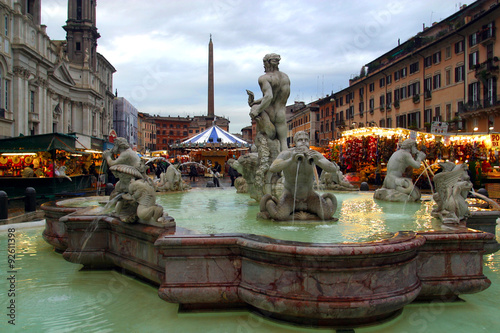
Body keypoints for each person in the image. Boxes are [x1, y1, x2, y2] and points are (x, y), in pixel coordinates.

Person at [260, 131, 338, 220]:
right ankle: (269, 202)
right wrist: (291, 159)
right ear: (295, 143)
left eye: (306, 140)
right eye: (300, 140)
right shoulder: (287, 153)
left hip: (309, 195)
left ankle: (326, 200)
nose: (303, 142)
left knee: (326, 215)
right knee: (279, 216)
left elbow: (332, 169)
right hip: (290, 195)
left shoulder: (314, 154)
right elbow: (273, 168)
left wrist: (318, 161)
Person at [247, 53, 290, 152]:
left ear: (267, 63)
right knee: (283, 143)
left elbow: (269, 96)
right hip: (281, 113)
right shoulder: (285, 77)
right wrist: (255, 102)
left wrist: (256, 109)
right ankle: (283, 166)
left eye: (264, 64)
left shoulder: (264, 78)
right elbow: (274, 97)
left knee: (262, 142)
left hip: (268, 113)